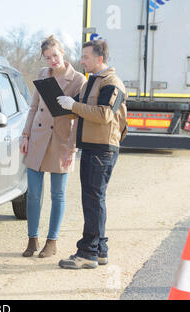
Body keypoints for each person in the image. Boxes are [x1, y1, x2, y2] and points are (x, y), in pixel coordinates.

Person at [56, 39, 128, 269]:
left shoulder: (112, 82)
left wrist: (73, 106)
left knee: (93, 201)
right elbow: (77, 110)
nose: (82, 60)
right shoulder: (90, 83)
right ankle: (100, 250)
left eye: (86, 57)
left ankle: (87, 253)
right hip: (91, 147)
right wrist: (60, 104)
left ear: (100, 58)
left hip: (102, 150)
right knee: (95, 200)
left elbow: (104, 114)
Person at [20, 35, 86, 258]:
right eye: (48, 57)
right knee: (33, 195)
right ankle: (32, 240)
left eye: (55, 55)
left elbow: (79, 117)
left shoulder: (78, 80)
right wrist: (25, 135)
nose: (52, 60)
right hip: (37, 138)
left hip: (61, 141)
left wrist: (73, 148)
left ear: (63, 53)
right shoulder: (41, 75)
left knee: (57, 194)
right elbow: (33, 107)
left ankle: (52, 241)